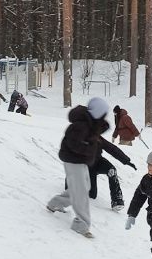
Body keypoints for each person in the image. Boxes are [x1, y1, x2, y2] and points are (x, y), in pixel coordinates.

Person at [46, 97, 111, 238]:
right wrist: (90, 149)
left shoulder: (89, 124)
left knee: (82, 188)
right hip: (73, 160)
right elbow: (73, 144)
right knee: (81, 192)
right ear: (98, 112)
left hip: (79, 161)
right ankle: (81, 224)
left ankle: (55, 203)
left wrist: (99, 125)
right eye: (103, 113)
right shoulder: (80, 126)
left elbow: (101, 129)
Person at [89, 140, 138, 210]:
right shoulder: (77, 136)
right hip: (85, 167)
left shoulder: (97, 137)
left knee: (111, 170)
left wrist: (126, 161)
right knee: (92, 195)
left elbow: (112, 148)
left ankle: (116, 199)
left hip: (97, 162)